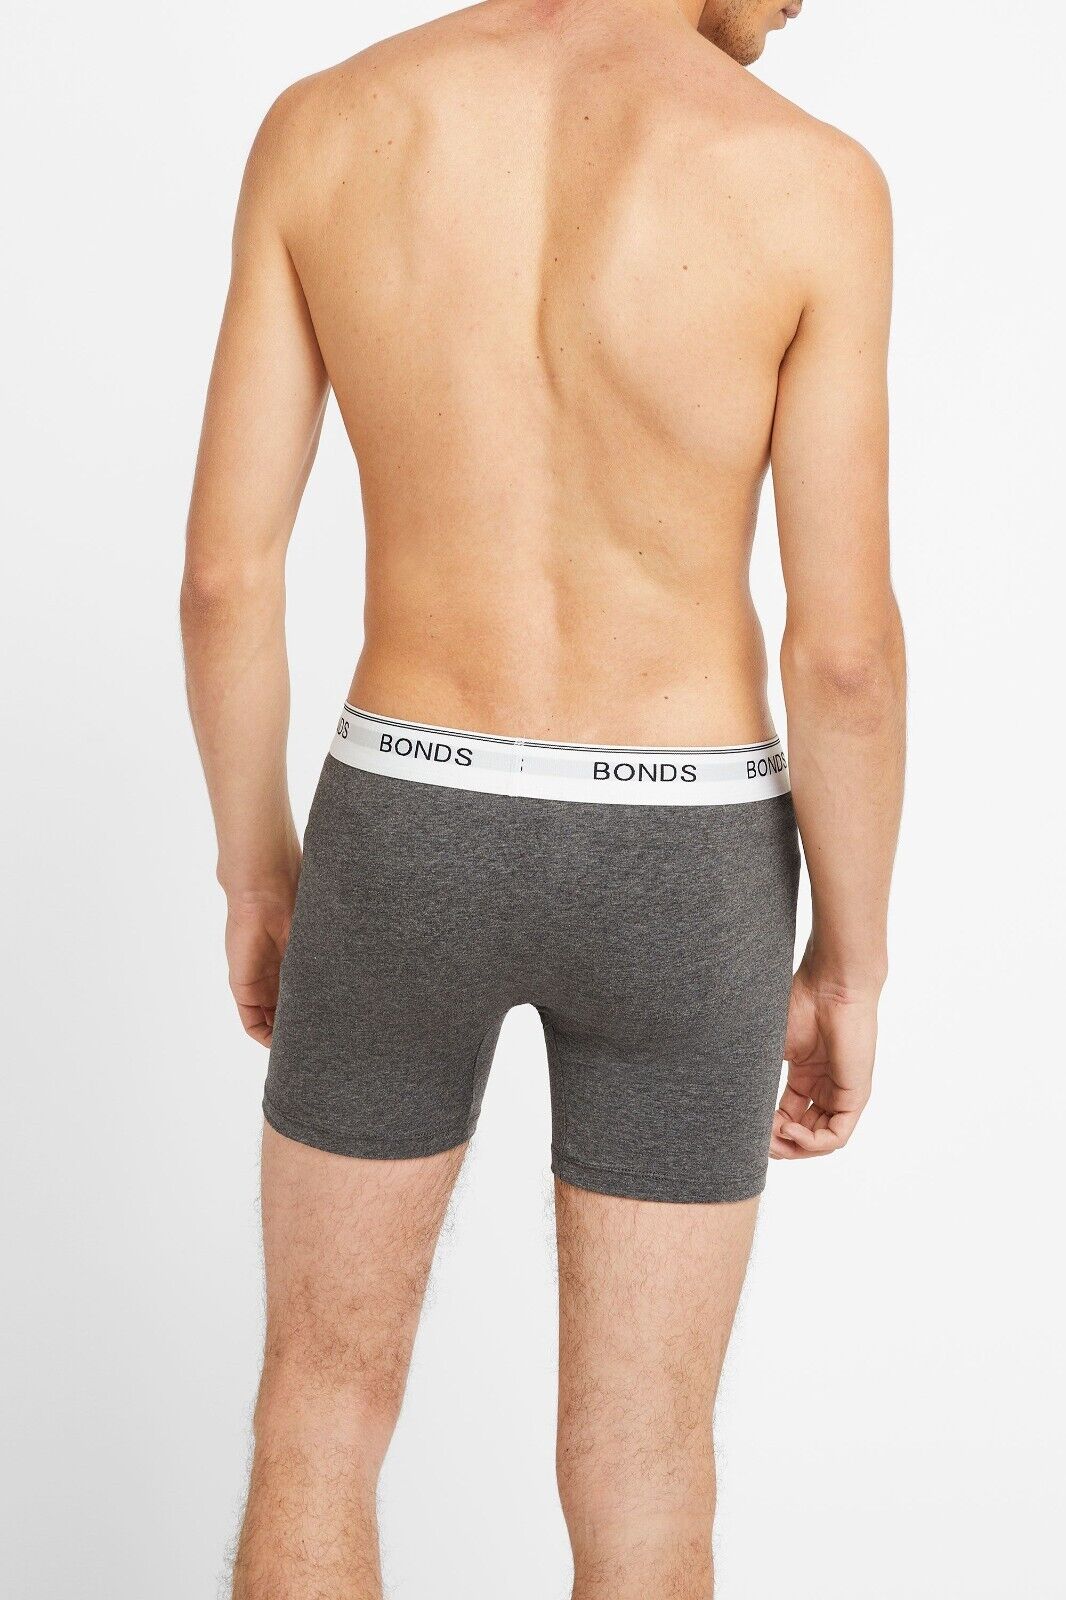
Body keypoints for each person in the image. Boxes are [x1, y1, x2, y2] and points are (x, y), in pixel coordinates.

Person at [181, 0, 905, 1593]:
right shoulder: (808, 180)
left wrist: (259, 871)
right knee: (645, 1461)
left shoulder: (330, 123)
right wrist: (846, 961)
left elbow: (226, 578)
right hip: (689, 858)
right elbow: (843, 654)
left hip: (406, 820)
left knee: (317, 1415)